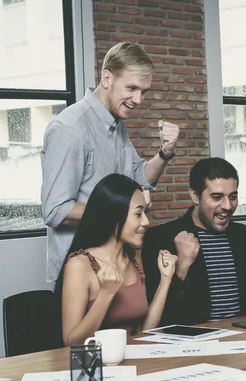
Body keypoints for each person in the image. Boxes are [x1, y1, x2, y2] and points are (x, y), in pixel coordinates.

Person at [41, 41, 180, 282]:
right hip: (79, 275)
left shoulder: (115, 124)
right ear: (107, 78)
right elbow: (55, 211)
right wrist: (122, 212)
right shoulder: (71, 129)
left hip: (114, 267)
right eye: (132, 88)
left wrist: (165, 153)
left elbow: (138, 176)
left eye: (143, 91)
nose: (138, 100)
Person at [142, 157, 246, 325]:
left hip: (241, 340)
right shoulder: (161, 238)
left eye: (233, 196)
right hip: (190, 344)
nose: (227, 206)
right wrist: (181, 268)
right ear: (195, 196)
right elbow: (159, 320)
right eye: (217, 197)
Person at [58, 174, 177, 346]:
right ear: (114, 217)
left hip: (133, 362)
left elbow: (143, 333)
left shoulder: (133, 258)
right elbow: (72, 343)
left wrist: (165, 280)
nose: (146, 221)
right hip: (97, 367)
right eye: (138, 214)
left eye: (145, 213)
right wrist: (106, 293)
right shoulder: (79, 265)